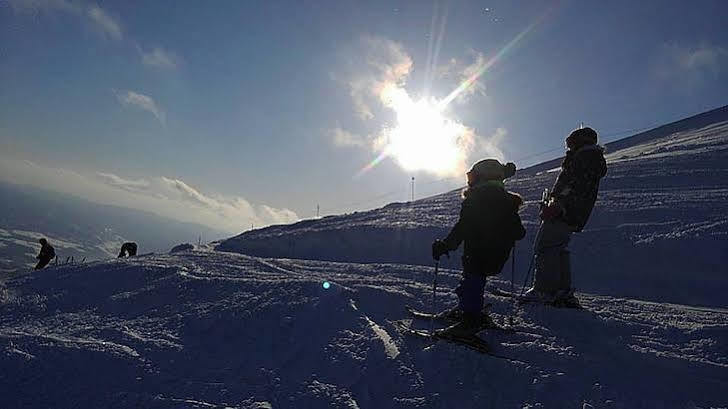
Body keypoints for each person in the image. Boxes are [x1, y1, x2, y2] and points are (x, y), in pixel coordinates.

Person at [431, 159, 526, 336]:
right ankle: (468, 311)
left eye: (472, 176)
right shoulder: (506, 200)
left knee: (471, 281)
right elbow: (519, 232)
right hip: (497, 255)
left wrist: (445, 245)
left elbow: (463, 227)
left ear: (482, 177)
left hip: (477, 253)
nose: (470, 180)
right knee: (475, 280)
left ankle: (470, 320)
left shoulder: (476, 199)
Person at [524, 127, 607, 306]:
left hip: (563, 212)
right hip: (572, 213)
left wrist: (558, 204)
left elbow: (573, 185)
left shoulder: (583, 159)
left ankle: (545, 290)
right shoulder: (590, 159)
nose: (569, 148)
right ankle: (562, 290)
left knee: (546, 247)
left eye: (571, 143)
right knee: (557, 248)